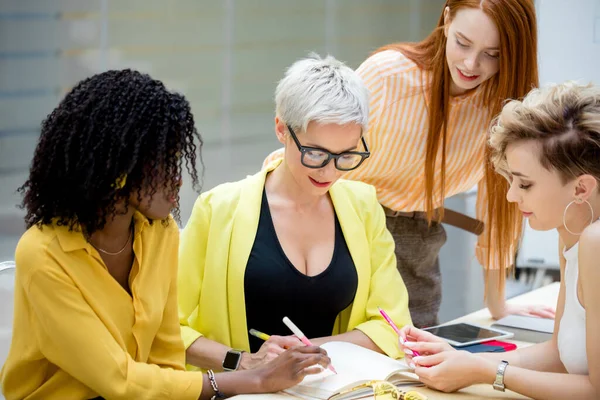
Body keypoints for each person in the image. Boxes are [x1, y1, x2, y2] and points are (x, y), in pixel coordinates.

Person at [0, 69, 330, 400]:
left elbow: (166, 351)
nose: (178, 179)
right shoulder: (44, 254)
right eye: (165, 163)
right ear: (118, 171)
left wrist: (245, 367)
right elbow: (119, 380)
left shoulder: (158, 232)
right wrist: (254, 379)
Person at [263, 0, 551, 327]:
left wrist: (498, 304)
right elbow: (314, 144)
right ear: (445, 20)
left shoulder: (501, 107)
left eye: (493, 54)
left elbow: (499, 203)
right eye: (462, 43)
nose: (471, 64)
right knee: (321, 348)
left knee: (413, 358)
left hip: (417, 240)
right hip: (335, 223)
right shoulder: (390, 75)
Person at [178, 54, 411, 373]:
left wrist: (304, 351)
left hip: (331, 389)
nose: (330, 171)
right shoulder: (218, 209)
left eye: (347, 155)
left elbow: (392, 326)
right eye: (315, 153)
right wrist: (244, 361)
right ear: (281, 130)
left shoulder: (363, 205)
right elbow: (167, 328)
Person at [397, 82, 600, 399]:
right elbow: (558, 356)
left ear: (581, 189)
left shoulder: (595, 243)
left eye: (525, 184)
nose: (510, 195)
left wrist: (485, 372)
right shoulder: (571, 233)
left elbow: (594, 390)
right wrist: (462, 360)